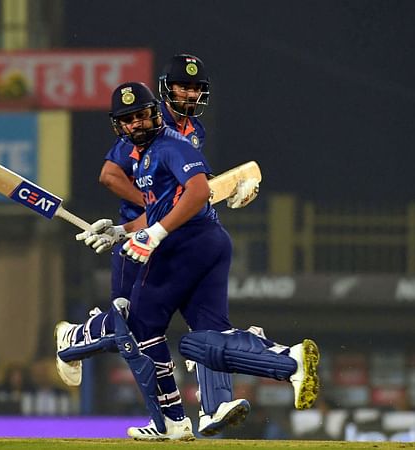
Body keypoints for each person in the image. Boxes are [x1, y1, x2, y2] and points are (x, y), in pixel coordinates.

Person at [58, 81, 318, 440]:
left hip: (182, 245)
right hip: (209, 242)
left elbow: (197, 193)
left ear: (154, 113)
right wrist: (122, 230)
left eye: (140, 116)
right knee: (206, 339)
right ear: (118, 126)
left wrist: (156, 235)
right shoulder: (149, 155)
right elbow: (165, 207)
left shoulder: (170, 146)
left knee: (140, 326)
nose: (135, 124)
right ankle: (290, 362)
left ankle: (170, 422)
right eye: (127, 120)